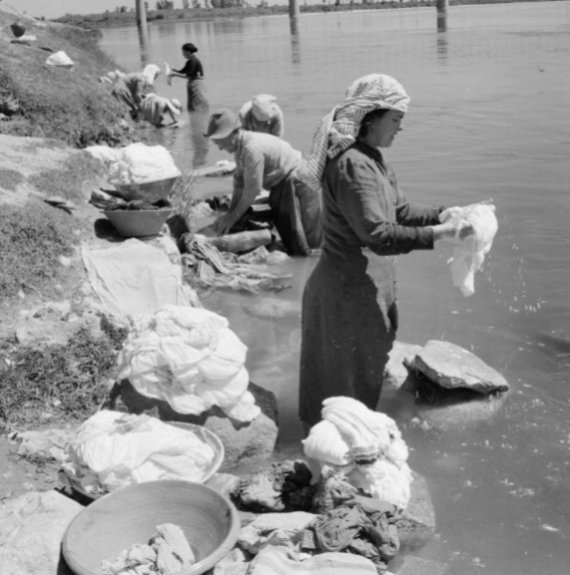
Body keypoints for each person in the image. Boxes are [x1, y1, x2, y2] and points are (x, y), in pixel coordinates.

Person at [298, 73, 473, 428]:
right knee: (343, 392)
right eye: (396, 120)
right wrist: (440, 234)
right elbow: (377, 234)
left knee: (360, 379)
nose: (400, 128)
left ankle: (346, 450)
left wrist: (445, 213)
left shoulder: (371, 158)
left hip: (363, 289)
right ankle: (335, 460)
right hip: (346, 295)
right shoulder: (352, 165)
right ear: (370, 118)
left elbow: (400, 211)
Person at [203, 108, 322, 256]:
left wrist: (232, 217)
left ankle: (309, 269)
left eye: (220, 142)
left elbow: (253, 190)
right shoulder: (241, 149)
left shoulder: (252, 148)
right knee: (292, 236)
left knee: (308, 242)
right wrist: (231, 214)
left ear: (233, 133)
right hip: (283, 181)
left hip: (298, 178)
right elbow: (239, 185)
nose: (220, 147)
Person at [166, 43, 209, 112]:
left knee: (197, 104)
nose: (182, 54)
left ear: (188, 52)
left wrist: (175, 74)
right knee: (192, 105)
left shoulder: (194, 61)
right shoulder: (189, 61)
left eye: (183, 52)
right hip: (192, 83)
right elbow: (182, 71)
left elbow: (188, 75)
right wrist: (173, 70)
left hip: (197, 84)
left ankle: (200, 118)